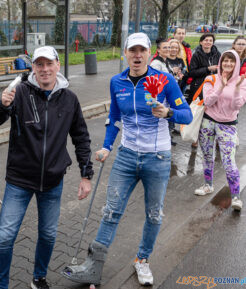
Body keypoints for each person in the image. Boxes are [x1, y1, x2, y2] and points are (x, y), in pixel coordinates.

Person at [62, 32, 192, 286]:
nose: (137, 55)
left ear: (148, 53)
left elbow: (186, 115)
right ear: (125, 53)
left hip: (157, 158)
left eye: (142, 50)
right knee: (111, 211)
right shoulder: (116, 82)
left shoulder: (164, 80)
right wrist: (107, 147)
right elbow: (114, 117)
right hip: (126, 157)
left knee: (154, 214)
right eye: (132, 50)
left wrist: (168, 112)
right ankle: (93, 268)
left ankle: (142, 260)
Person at [0, 45, 94, 289]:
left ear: (58, 65)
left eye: (49, 64)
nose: (45, 69)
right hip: (19, 180)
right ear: (33, 67)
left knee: (47, 235)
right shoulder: (20, 92)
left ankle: (39, 278)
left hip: (53, 181)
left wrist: (86, 175)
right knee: (5, 238)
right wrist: (2, 105)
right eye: (39, 64)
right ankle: (1, 285)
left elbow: (81, 138)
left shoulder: (70, 99)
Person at [194, 50, 246, 211]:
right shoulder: (211, 78)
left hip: (228, 125)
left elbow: (237, 105)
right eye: (225, 61)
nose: (228, 64)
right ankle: (208, 185)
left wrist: (236, 88)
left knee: (228, 161)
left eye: (232, 61)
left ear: (236, 63)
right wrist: (221, 85)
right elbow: (208, 101)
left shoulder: (242, 81)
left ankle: (236, 196)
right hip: (208, 122)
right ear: (221, 62)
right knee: (207, 156)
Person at [187, 33, 221, 105]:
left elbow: (221, 68)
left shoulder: (217, 54)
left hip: (214, 84)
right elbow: (192, 72)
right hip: (199, 85)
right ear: (201, 42)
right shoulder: (196, 55)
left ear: (213, 42)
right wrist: (208, 69)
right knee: (198, 107)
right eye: (206, 40)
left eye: (210, 40)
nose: (208, 42)